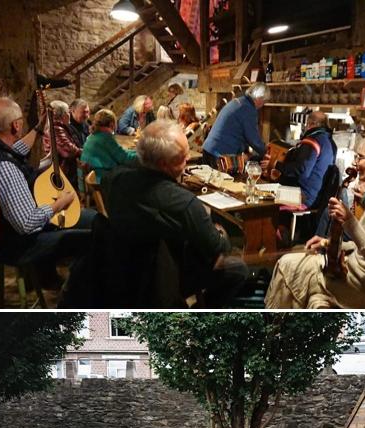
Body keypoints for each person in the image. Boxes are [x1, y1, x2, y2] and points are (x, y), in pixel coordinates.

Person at [97, 119, 248, 307]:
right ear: (163, 163)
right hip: (166, 278)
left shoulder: (113, 179)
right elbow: (218, 248)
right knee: (238, 269)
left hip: (122, 266)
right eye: (183, 157)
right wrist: (221, 232)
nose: (187, 161)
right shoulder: (185, 204)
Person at [265, 133, 365, 309]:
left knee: (287, 264)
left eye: (360, 157)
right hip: (361, 276)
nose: (355, 162)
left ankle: (275, 327)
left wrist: (350, 222)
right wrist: (327, 243)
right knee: (297, 267)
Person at [0, 97, 96, 290]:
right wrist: (61, 202)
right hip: (18, 245)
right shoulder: (5, 167)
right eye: (21, 120)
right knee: (95, 235)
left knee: (93, 218)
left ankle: (51, 278)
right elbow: (28, 223)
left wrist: (39, 127)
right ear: (16, 125)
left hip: (0, 239)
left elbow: (16, 149)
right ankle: (76, 293)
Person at [202, 83, 270, 168]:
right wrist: (266, 152)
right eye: (264, 101)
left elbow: (240, 131)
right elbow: (253, 138)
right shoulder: (248, 109)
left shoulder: (238, 101)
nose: (262, 105)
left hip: (209, 149)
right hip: (219, 154)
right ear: (259, 98)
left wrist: (247, 151)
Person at [81, 108, 137, 182]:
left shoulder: (93, 135)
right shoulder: (105, 137)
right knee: (137, 174)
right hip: (101, 180)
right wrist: (145, 156)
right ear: (112, 124)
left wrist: (135, 152)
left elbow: (120, 153)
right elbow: (125, 159)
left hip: (94, 176)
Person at [42, 100, 82, 189]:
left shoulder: (59, 127)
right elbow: (68, 150)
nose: (70, 115)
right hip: (61, 173)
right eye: (68, 112)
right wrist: (85, 152)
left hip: (64, 171)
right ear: (64, 115)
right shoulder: (56, 128)